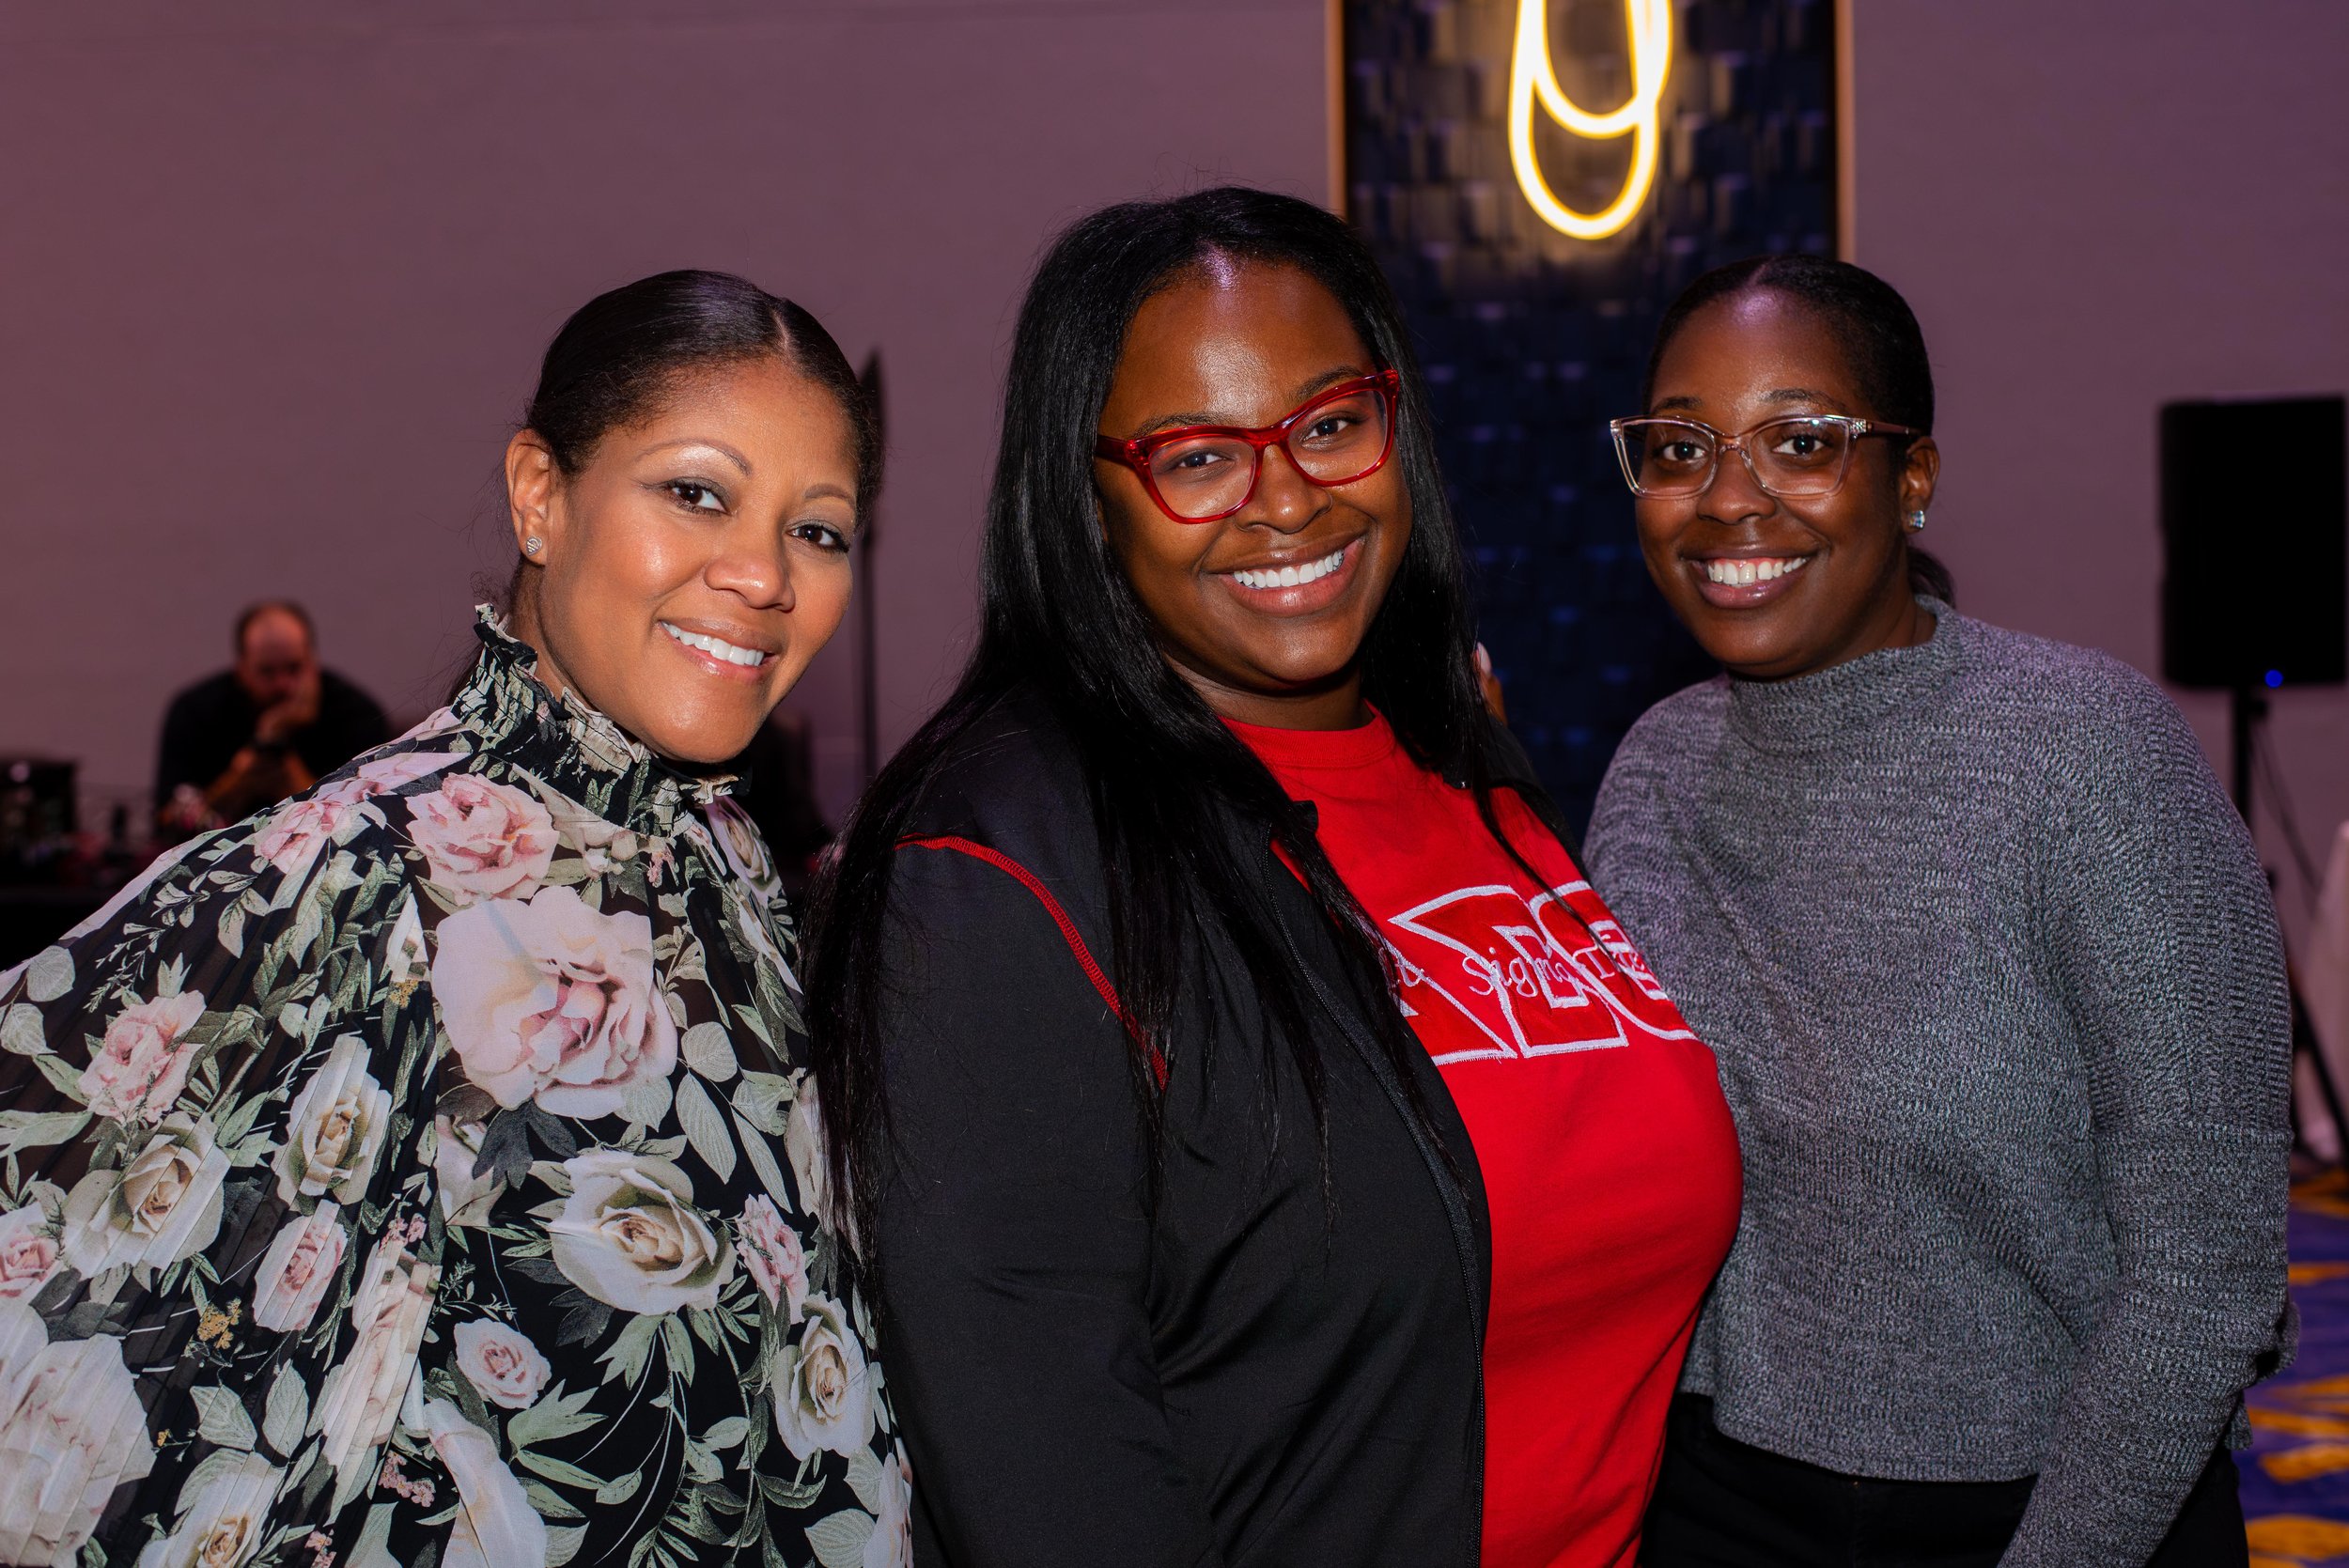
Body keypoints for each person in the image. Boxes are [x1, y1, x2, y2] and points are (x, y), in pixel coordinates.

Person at [802, 186, 1741, 1568]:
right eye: (1196, 455)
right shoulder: (995, 861)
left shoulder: (1465, 759)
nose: (1288, 494)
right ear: (1089, 493)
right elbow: (1045, 1459)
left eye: (1331, 422)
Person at [0, 270, 905, 1567]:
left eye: (819, 529)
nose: (763, 574)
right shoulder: (358, 870)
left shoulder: (737, 865)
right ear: (541, 495)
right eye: (696, 491)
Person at [1584, 255, 2291, 1567]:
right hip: (1712, 1507)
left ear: (1911, 481)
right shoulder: (1655, 769)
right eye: (1682, 446)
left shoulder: (2089, 757)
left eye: (1801, 441)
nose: (1729, 498)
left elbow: (2207, 1274)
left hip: (2067, 1513)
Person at [154, 600, 392, 837]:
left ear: (312, 662)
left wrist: (288, 773)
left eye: (294, 668)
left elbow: (372, 823)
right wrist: (237, 781)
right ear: (242, 668)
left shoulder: (357, 713)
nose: (283, 685)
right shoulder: (196, 711)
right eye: (267, 671)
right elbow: (167, 824)